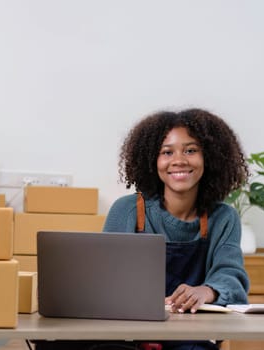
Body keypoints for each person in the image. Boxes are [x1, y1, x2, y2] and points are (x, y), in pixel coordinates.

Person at [103, 108, 250, 350]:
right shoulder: (127, 210)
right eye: (167, 152)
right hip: (129, 334)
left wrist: (207, 290)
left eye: (190, 150)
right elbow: (102, 280)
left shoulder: (223, 218)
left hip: (190, 338)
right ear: (152, 160)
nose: (179, 160)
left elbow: (231, 275)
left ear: (209, 158)